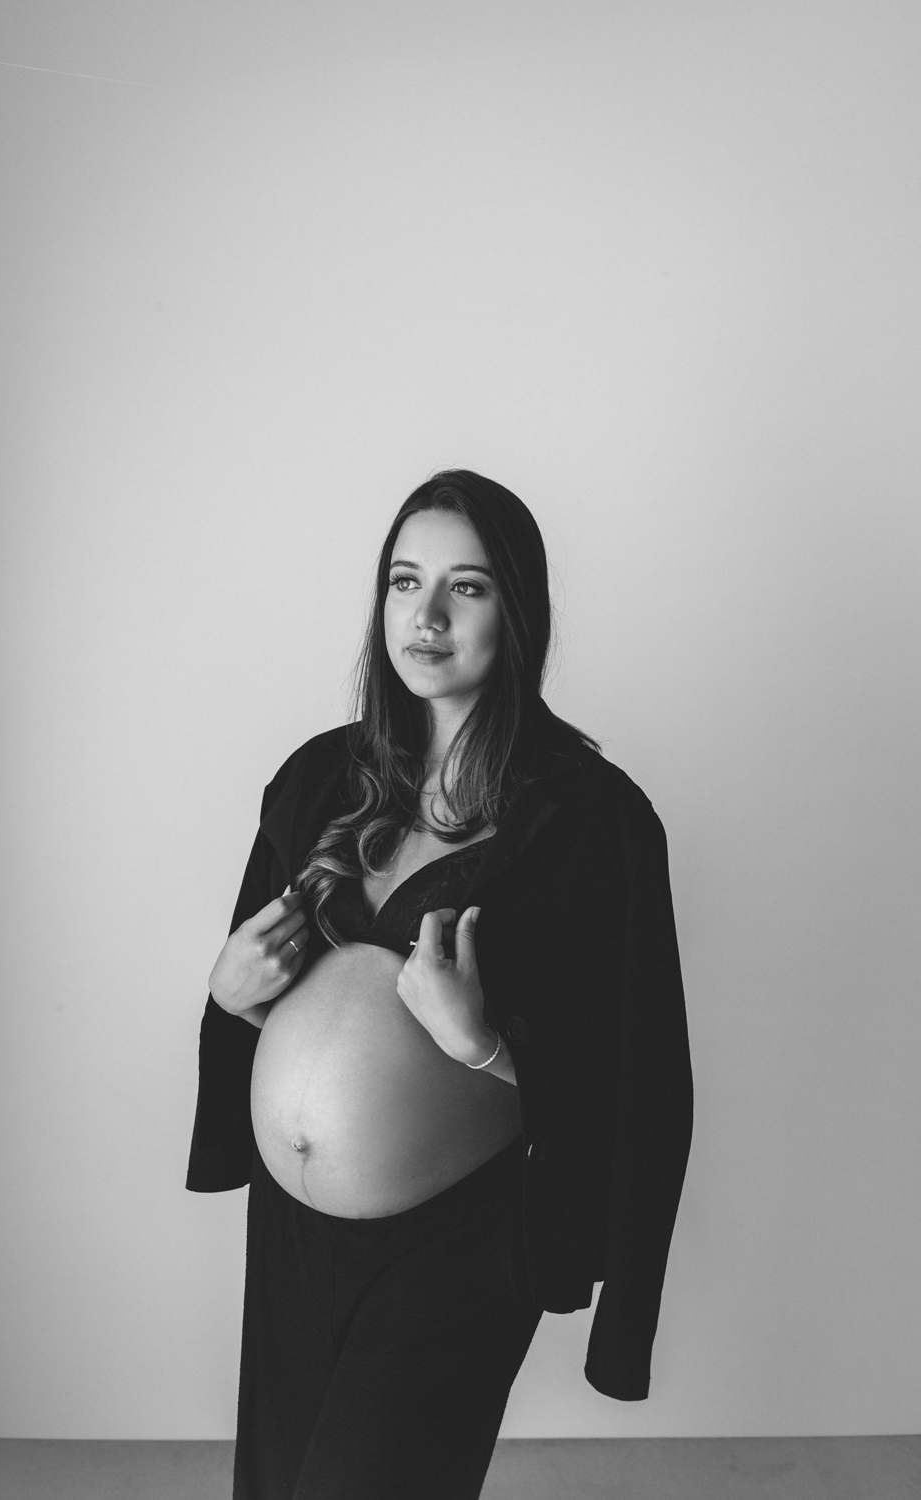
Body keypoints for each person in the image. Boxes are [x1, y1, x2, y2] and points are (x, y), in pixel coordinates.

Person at [187, 469, 693, 1500]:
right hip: (293, 1237)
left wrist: (480, 1043)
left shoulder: (593, 822)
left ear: (518, 609)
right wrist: (231, 993)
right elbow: (257, 983)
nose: (425, 617)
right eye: (404, 581)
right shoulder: (318, 779)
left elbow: (641, 1076)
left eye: (466, 587)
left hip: (460, 1243)